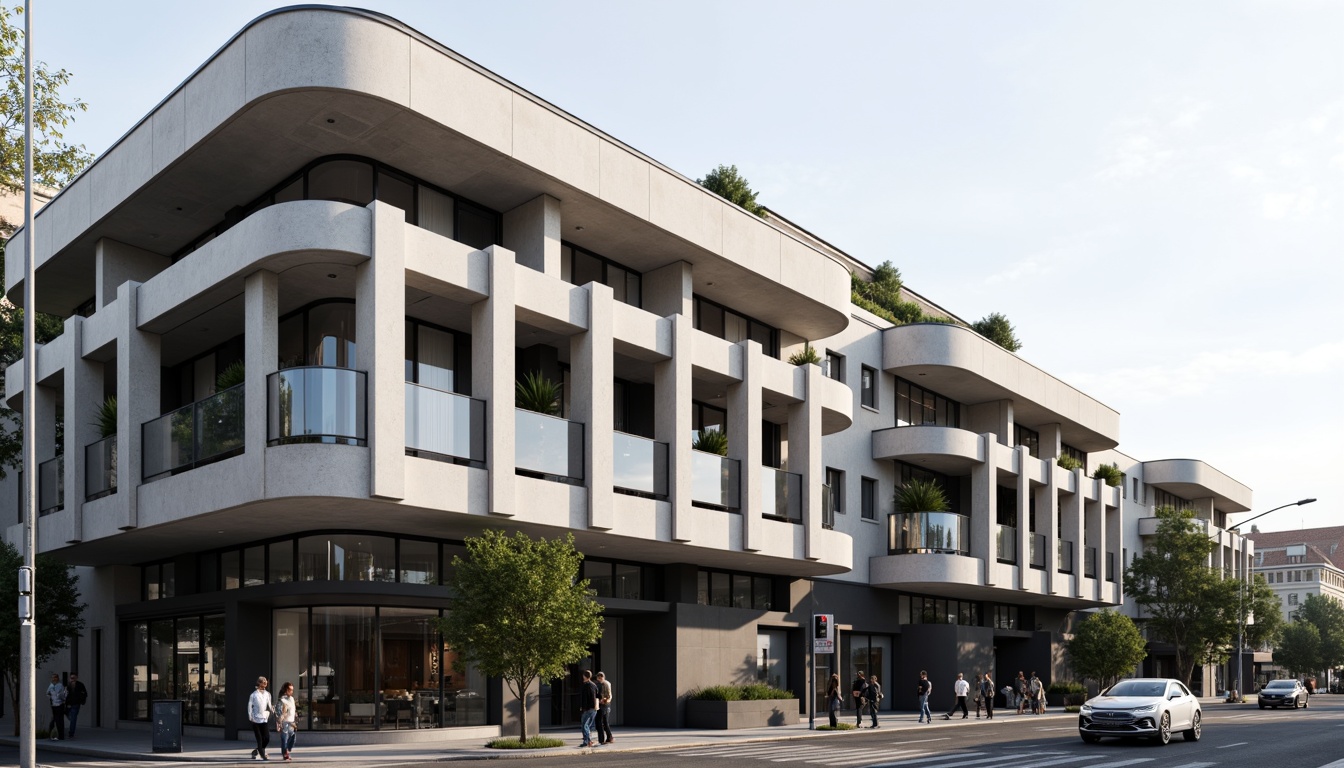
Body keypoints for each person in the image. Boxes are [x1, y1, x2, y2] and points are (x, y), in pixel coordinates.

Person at [248, 676, 274, 760]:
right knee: (259, 739)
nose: (265, 683)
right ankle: (263, 755)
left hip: (264, 718)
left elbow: (269, 705)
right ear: (259, 683)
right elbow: (249, 706)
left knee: (266, 738)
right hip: (255, 719)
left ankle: (257, 750)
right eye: (263, 681)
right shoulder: (254, 695)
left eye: (266, 681)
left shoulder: (268, 694)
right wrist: (250, 716)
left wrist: (273, 711)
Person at [577, 669, 599, 748]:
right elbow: (597, 696)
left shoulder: (586, 686)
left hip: (588, 708)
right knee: (588, 726)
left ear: (585, 676)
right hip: (594, 708)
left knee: (584, 725)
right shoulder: (594, 685)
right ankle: (589, 740)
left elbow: (586, 698)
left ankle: (586, 741)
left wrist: (583, 707)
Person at [276, 682, 297, 761]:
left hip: (291, 721)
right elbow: (278, 711)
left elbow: (293, 709)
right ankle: (285, 753)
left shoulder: (291, 698)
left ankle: (287, 750)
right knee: (285, 738)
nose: (292, 691)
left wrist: (295, 715)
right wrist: (279, 722)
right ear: (286, 690)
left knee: (293, 737)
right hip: (285, 721)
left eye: (292, 690)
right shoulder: (282, 700)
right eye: (290, 690)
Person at [66, 672, 88, 739]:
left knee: (73, 718)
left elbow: (85, 693)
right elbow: (65, 694)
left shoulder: (80, 685)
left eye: (74, 678)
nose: (72, 679)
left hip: (76, 704)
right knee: (70, 717)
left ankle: (71, 733)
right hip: (68, 704)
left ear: (76, 678)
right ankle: (71, 732)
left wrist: (80, 699)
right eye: (71, 678)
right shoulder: (68, 685)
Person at [45, 673, 67, 741]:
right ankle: (53, 734)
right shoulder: (51, 685)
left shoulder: (60, 685)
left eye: (55, 677)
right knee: (55, 719)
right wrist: (50, 698)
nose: (53, 679)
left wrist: (61, 699)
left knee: (59, 720)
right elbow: (47, 693)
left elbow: (63, 695)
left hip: (60, 704)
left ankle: (61, 735)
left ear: (57, 678)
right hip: (53, 705)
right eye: (52, 677)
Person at [595, 671, 614, 745]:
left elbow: (608, 695)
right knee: (605, 722)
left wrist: (603, 700)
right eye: (599, 677)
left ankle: (602, 739)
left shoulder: (603, 684)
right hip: (605, 705)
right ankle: (609, 737)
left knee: (600, 722)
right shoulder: (604, 683)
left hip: (603, 705)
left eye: (600, 677)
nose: (599, 679)